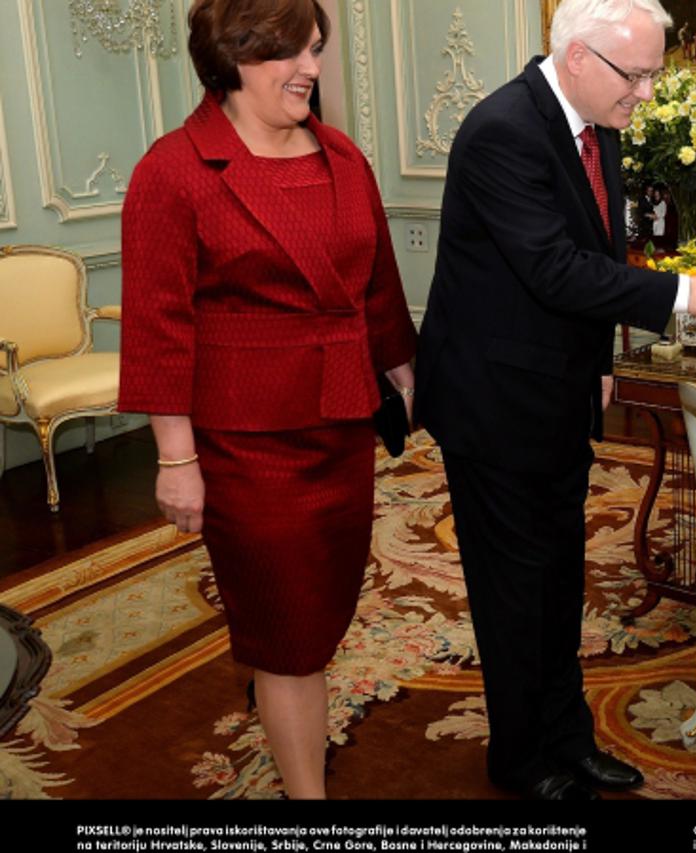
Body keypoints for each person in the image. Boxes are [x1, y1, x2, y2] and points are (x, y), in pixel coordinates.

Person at [414, 0, 696, 801]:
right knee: (513, 590)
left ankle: (569, 739)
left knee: (559, 577)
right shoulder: (503, 129)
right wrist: (684, 293)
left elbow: (598, 250)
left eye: (652, 74)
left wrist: (600, 358)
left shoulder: (595, 123)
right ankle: (521, 758)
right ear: (576, 57)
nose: (646, 92)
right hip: (494, 402)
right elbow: (554, 269)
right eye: (634, 74)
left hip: (560, 388)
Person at [117, 0, 416, 800]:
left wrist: (404, 375)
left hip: (341, 428)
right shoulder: (173, 170)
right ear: (233, 58)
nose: (311, 70)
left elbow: (378, 286)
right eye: (289, 53)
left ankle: (275, 686)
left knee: (321, 605)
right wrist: (177, 459)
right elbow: (156, 328)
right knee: (290, 635)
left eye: (315, 50)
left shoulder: (342, 155)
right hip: (245, 443)